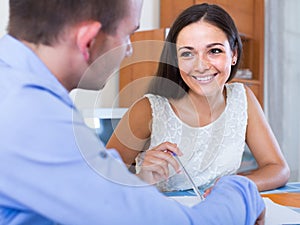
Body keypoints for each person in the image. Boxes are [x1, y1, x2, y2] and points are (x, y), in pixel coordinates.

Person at [0, 1, 265, 224]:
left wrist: (137, 182)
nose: (129, 50)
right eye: (128, 34)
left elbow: (96, 182)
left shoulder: (17, 88)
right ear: (88, 41)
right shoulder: (31, 117)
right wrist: (240, 189)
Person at [107, 3, 290, 193]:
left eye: (214, 51)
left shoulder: (242, 99)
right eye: (187, 53)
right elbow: (99, 182)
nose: (201, 66)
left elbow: (277, 167)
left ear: (233, 54)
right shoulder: (148, 109)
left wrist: (236, 186)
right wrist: (142, 178)